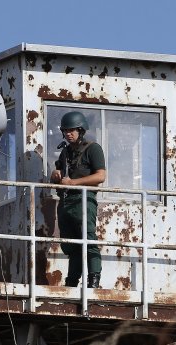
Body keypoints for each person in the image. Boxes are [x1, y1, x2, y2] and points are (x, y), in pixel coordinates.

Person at [50, 111, 106, 288]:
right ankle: (72, 281)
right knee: (71, 245)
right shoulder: (65, 153)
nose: (68, 134)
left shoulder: (93, 149)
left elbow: (100, 176)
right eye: (66, 131)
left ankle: (94, 280)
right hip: (66, 202)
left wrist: (73, 182)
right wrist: (55, 174)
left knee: (88, 240)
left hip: (83, 199)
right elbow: (58, 173)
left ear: (81, 130)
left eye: (72, 130)